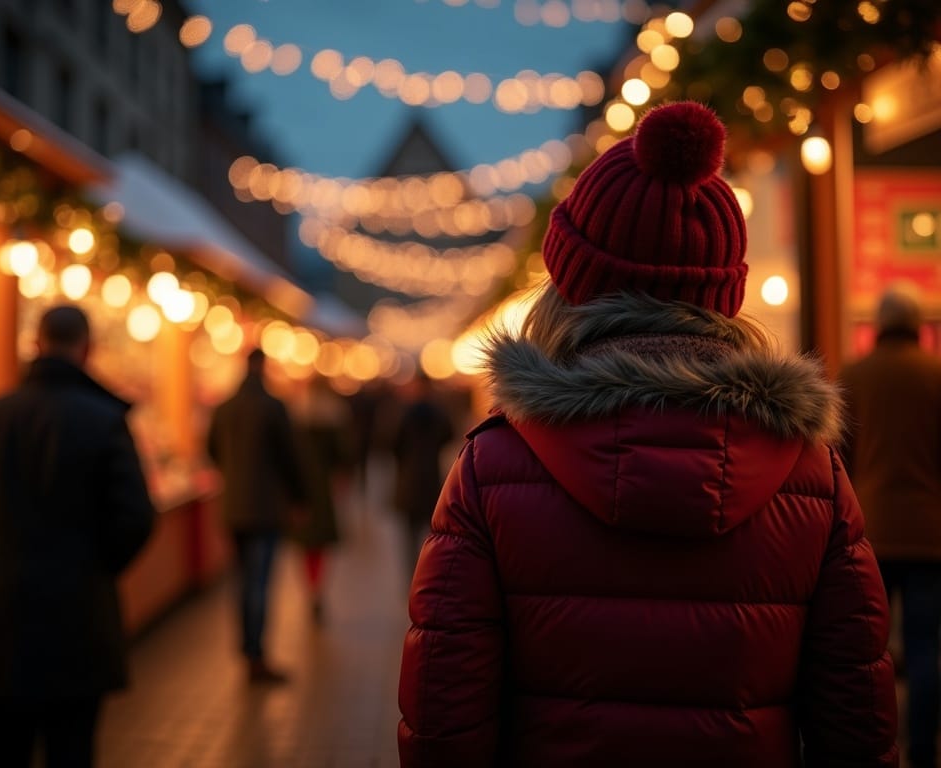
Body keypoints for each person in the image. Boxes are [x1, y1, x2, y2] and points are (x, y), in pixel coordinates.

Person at [398, 102, 898, 767]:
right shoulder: (810, 473)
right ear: (723, 293)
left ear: (571, 285)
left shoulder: (496, 465)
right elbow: (856, 714)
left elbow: (444, 711)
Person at [0, 304, 155, 768]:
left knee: (5, 747)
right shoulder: (105, 420)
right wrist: (95, 568)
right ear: (88, 349)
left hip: (6, 615)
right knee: (71, 749)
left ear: (35, 344)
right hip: (80, 619)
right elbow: (135, 516)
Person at [839, 281, 941, 768]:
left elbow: (840, 459)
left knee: (870, 652)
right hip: (931, 534)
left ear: (879, 324)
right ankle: (924, 751)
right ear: (917, 324)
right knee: (925, 647)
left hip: (871, 531)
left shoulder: (855, 377)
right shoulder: (936, 375)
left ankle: (878, 751)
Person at [207, 348, 307, 683]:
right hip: (265, 508)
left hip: (232, 508)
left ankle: (246, 650)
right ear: (264, 367)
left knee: (241, 581)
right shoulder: (273, 407)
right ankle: (256, 656)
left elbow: (211, 450)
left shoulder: (224, 407)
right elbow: (290, 458)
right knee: (259, 583)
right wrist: (299, 498)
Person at [289, 374, 350, 624]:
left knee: (304, 544)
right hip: (323, 488)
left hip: (300, 487)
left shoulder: (295, 415)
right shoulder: (335, 415)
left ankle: (310, 587)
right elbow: (344, 455)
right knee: (321, 544)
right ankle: (318, 587)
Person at [391, 368, 454, 580]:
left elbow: (391, 442)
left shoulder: (404, 412)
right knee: (432, 531)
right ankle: (429, 571)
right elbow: (449, 435)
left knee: (409, 533)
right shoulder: (440, 412)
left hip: (408, 479)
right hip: (432, 478)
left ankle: (412, 574)